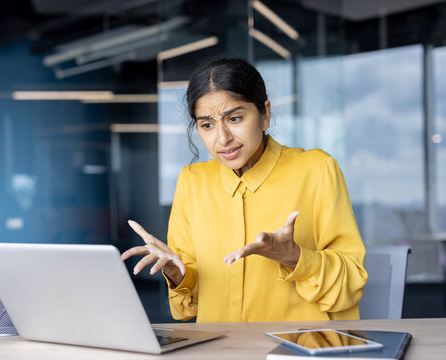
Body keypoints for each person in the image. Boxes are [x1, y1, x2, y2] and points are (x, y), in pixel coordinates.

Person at [121, 58, 368, 322]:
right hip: (221, 347)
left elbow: (350, 283)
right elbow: (186, 307)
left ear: (265, 114)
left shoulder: (317, 170)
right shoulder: (192, 181)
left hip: (299, 347)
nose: (223, 138)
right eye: (207, 125)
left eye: (235, 118)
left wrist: (295, 258)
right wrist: (174, 271)